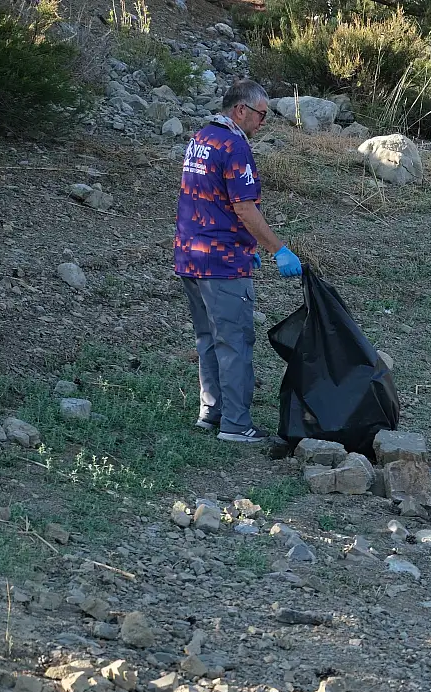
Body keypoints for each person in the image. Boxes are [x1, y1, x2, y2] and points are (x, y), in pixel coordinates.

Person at [175, 79, 302, 443]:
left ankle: (211, 411)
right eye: (261, 114)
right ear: (240, 110)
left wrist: (246, 245)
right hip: (221, 263)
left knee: (207, 338)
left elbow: (209, 199)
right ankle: (236, 424)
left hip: (191, 255)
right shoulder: (234, 146)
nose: (263, 122)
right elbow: (244, 208)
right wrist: (276, 248)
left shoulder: (201, 139)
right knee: (234, 341)